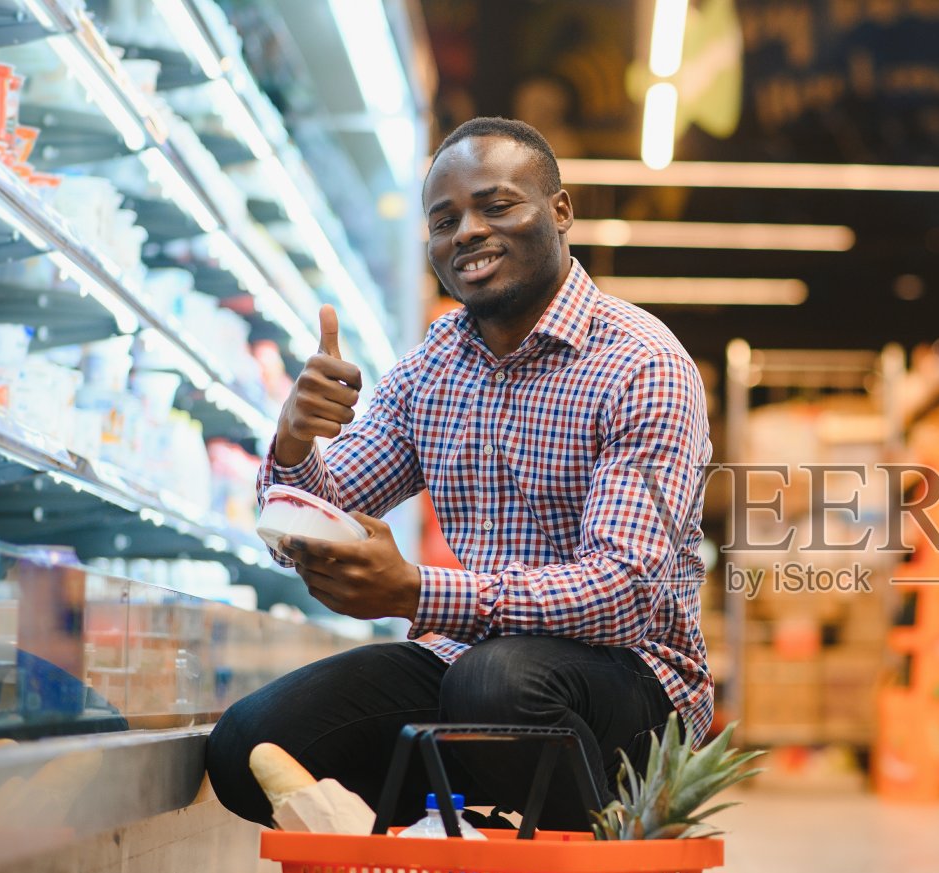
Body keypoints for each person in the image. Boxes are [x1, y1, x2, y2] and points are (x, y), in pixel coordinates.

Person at [206, 117, 712, 831]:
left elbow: (623, 590)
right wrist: (294, 439)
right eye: (445, 220)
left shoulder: (642, 362)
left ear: (561, 212)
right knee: (247, 747)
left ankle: (589, 868)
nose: (467, 231)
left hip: (633, 682)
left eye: (497, 205)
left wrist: (417, 588)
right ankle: (438, 868)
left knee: (493, 686)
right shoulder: (432, 368)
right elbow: (308, 526)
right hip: (477, 668)